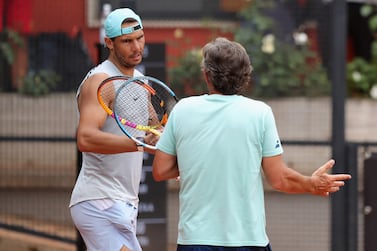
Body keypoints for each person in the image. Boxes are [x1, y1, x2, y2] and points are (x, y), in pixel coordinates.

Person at [152, 37, 352, 251]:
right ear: (246, 76)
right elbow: (279, 179)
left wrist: (194, 162)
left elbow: (160, 170)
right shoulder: (260, 113)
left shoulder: (183, 109)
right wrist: (310, 184)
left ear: (206, 75)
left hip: (195, 241)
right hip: (249, 241)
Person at [69, 8, 153, 251]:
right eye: (127, 41)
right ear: (109, 43)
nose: (136, 47)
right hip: (98, 201)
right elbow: (85, 138)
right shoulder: (100, 81)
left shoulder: (141, 81)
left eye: (140, 38)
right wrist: (138, 143)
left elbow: (155, 136)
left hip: (125, 201)